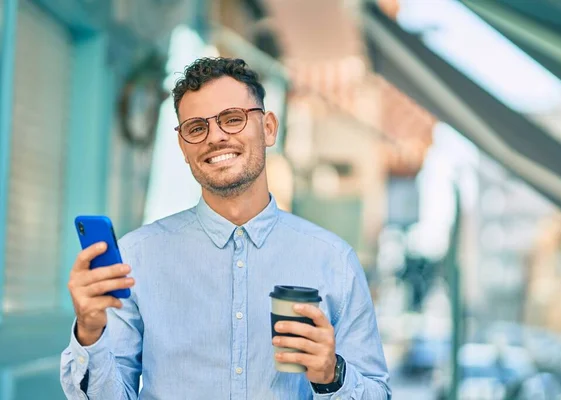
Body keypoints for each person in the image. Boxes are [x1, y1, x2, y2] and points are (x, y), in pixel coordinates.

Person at [60, 57, 391, 399]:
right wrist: (90, 332)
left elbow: (377, 392)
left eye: (232, 119)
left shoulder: (334, 261)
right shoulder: (135, 259)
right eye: (196, 127)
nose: (215, 137)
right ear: (183, 146)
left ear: (268, 129)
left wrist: (330, 374)